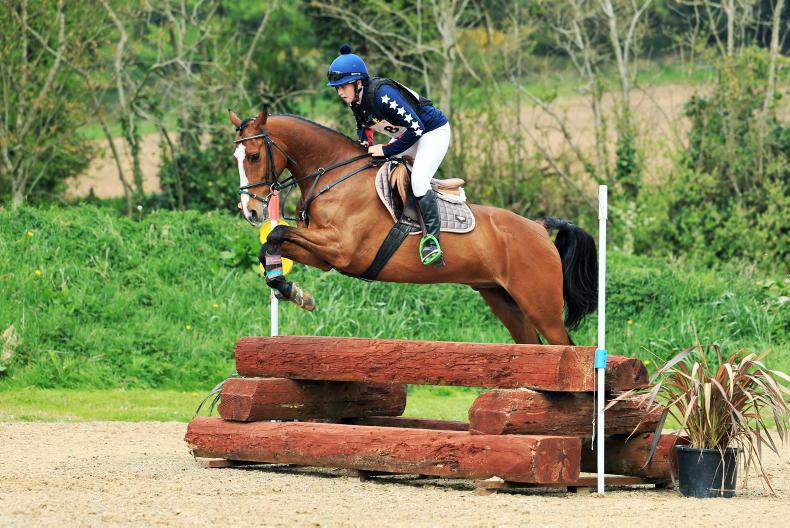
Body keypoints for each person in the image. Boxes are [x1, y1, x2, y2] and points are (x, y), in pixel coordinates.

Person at [327, 44, 450, 266]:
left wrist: (385, 150)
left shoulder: (382, 95)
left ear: (358, 83)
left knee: (419, 181)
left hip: (432, 133)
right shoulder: (357, 100)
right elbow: (363, 125)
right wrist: (366, 143)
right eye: (337, 88)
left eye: (343, 86)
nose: (340, 93)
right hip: (408, 135)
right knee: (372, 164)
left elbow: (417, 129)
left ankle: (432, 240)